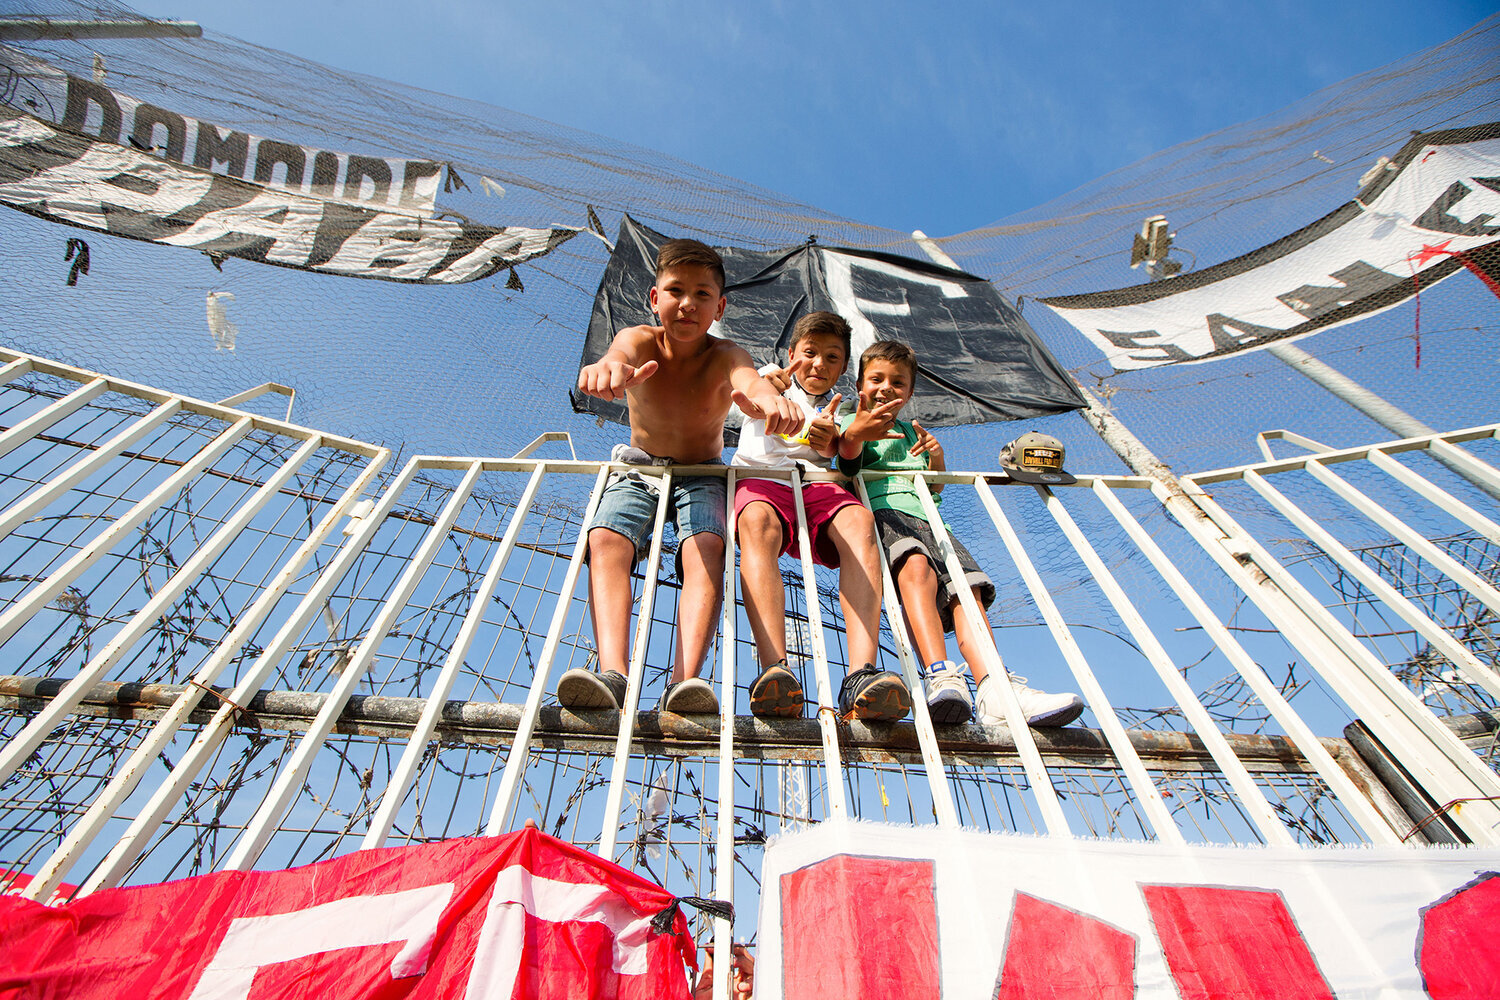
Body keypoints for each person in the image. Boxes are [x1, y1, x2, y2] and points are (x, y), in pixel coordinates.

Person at [559, 239, 802, 716]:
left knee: (706, 548)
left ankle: (685, 679)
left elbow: (748, 380)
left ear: (719, 306)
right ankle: (613, 672)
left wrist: (768, 398)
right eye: (675, 290)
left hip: (702, 472)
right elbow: (618, 353)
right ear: (655, 299)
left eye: (702, 294)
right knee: (606, 538)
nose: (687, 303)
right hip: (641, 464)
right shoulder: (640, 339)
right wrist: (609, 367)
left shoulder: (726, 353)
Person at [837, 340, 1084, 727]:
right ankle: (940, 675)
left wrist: (936, 457)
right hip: (886, 514)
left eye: (898, 382)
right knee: (916, 570)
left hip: (934, 522)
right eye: (876, 379)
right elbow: (846, 464)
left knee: (968, 593)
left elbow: (934, 488)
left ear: (910, 392)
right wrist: (856, 435)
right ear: (860, 385)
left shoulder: (911, 431)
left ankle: (994, 688)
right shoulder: (852, 419)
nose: (886, 388)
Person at [731, 311, 907, 721]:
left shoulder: (841, 410)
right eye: (810, 353)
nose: (818, 364)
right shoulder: (769, 377)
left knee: (860, 522)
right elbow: (747, 393)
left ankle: (860, 675)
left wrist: (831, 442)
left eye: (832, 358)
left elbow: (842, 452)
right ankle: (774, 669)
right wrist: (766, 389)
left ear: (843, 366)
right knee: (757, 521)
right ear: (793, 353)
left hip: (817, 485)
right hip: (763, 478)